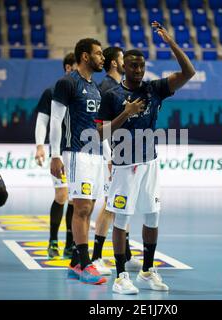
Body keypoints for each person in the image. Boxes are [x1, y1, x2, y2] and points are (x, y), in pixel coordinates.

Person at [96, 21, 195, 295]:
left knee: (152, 217)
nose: (138, 70)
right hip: (124, 166)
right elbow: (99, 133)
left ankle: (147, 271)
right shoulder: (112, 95)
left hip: (150, 163)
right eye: (133, 66)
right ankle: (119, 277)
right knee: (122, 220)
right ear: (123, 67)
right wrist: (125, 114)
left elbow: (189, 71)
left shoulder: (155, 89)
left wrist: (171, 43)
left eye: (141, 66)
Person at [50, 38, 107, 285]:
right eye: (98, 53)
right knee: (81, 209)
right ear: (85, 56)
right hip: (75, 153)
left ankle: (75, 263)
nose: (102, 57)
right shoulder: (67, 82)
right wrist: (54, 155)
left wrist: (109, 157)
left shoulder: (95, 87)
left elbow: (100, 126)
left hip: (95, 156)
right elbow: (55, 120)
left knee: (89, 208)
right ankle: (85, 264)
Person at [91, 46, 142, 275]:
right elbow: (101, 127)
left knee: (124, 204)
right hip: (110, 156)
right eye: (123, 59)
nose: (126, 63)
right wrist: (108, 156)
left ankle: (127, 254)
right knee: (110, 206)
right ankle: (96, 257)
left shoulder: (121, 87)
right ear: (115, 63)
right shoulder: (107, 89)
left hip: (123, 156)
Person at [34, 52, 77, 259]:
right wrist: (40, 146)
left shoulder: (84, 90)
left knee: (75, 199)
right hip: (59, 152)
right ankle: (53, 241)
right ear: (68, 68)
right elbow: (43, 121)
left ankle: (70, 243)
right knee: (61, 195)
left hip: (79, 152)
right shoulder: (52, 91)